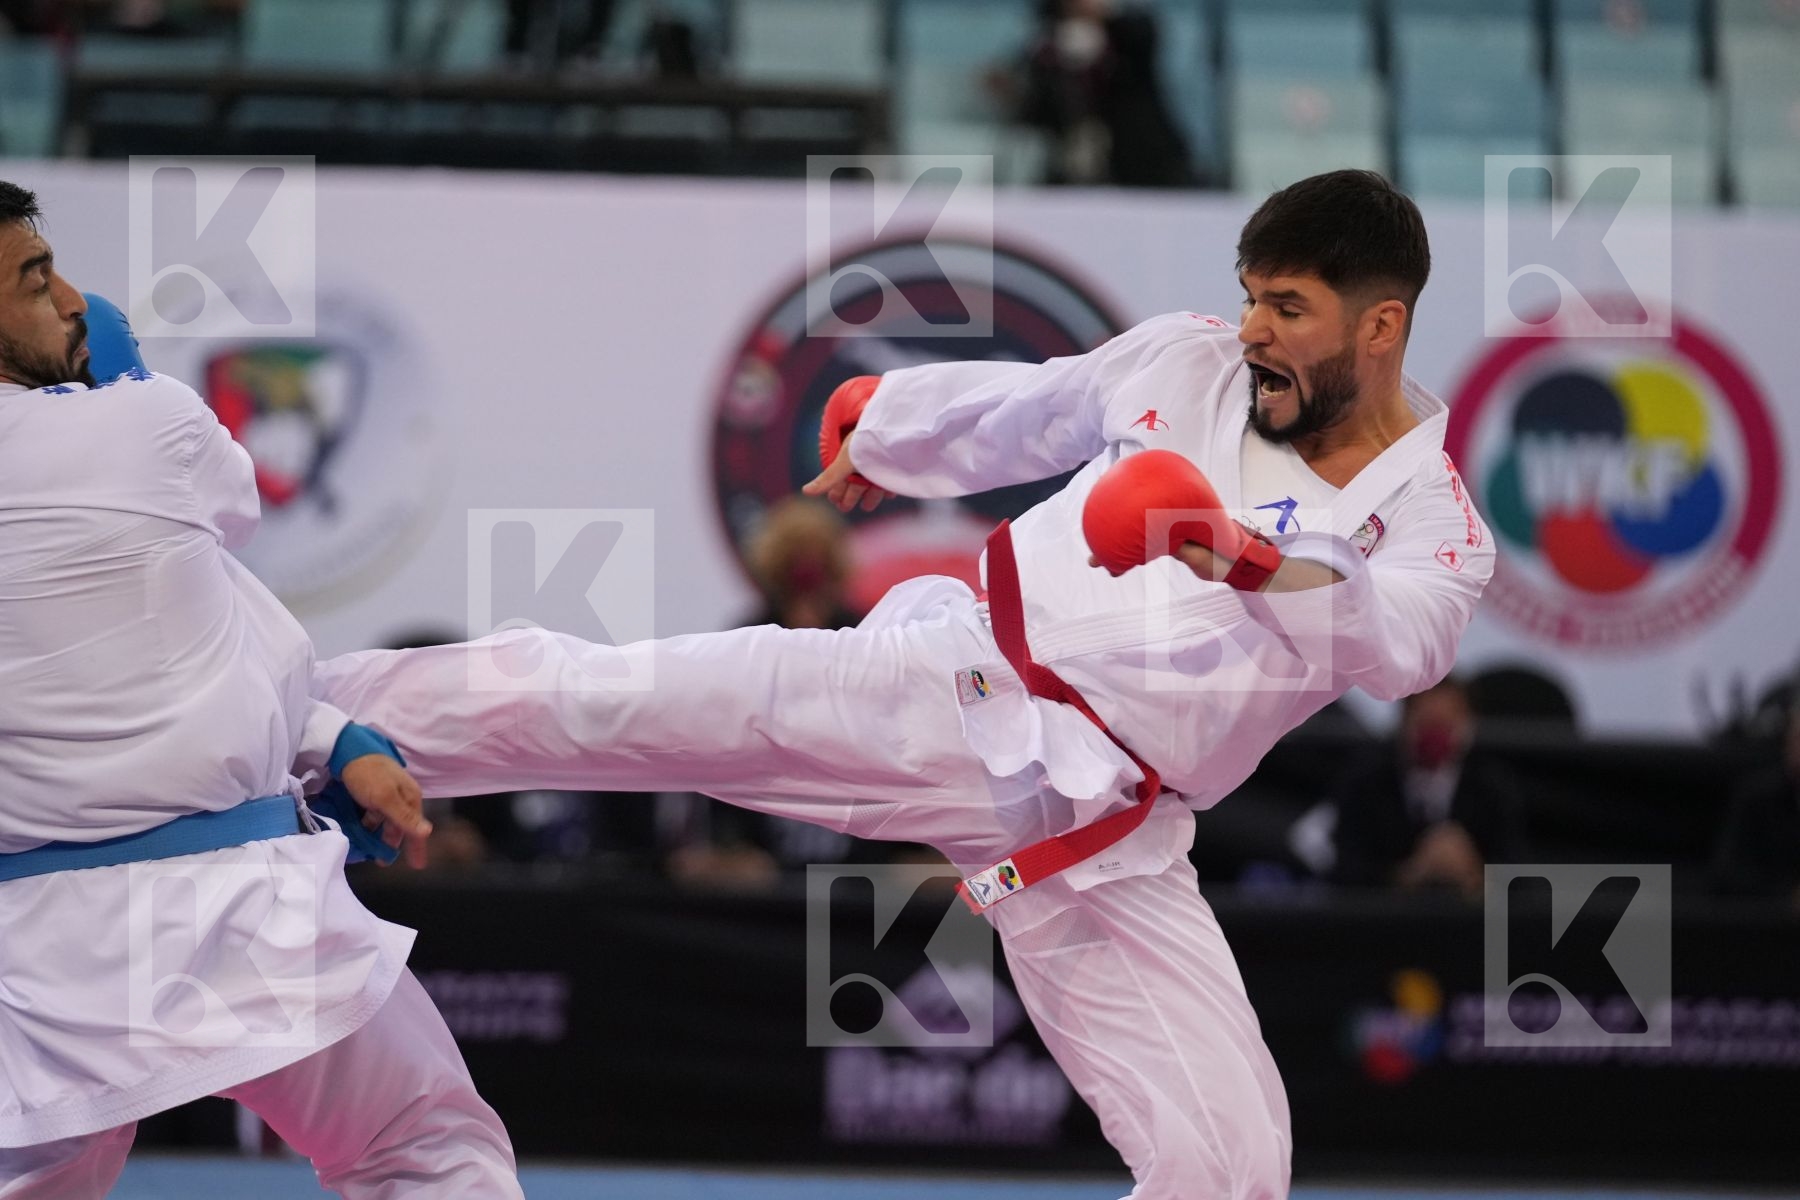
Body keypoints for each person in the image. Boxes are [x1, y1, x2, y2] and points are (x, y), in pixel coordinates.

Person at [312, 170, 1495, 1198]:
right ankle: (299, 723)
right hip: (952, 685)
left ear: (1381, 326)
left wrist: (1236, 552)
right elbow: (1042, 406)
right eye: (1250, 293)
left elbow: (1401, 650)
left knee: (1231, 1166)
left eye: (1288, 308)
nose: (1252, 328)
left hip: (1109, 833)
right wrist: (893, 425)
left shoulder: (1433, 520)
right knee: (601, 698)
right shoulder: (1191, 360)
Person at [0, 182, 522, 1199]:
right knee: (423, 1150)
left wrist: (331, 739)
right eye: (32, 279)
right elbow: (215, 532)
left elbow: (172, 606)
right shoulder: (149, 425)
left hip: (40, 951)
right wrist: (127, 377)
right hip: (235, 909)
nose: (71, 298)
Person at [1329, 676, 1527, 898]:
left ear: (1469, 725)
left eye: (1445, 725)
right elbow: (1344, 870)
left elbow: (1517, 872)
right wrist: (1408, 874)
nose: (1435, 738)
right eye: (1426, 724)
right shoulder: (1367, 781)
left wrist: (1473, 874)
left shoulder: (1492, 785)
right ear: (1405, 722)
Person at [1710, 701, 1800, 903]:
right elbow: (1727, 874)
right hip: (1772, 922)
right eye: (1796, 739)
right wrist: (1787, 895)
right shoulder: (1758, 798)